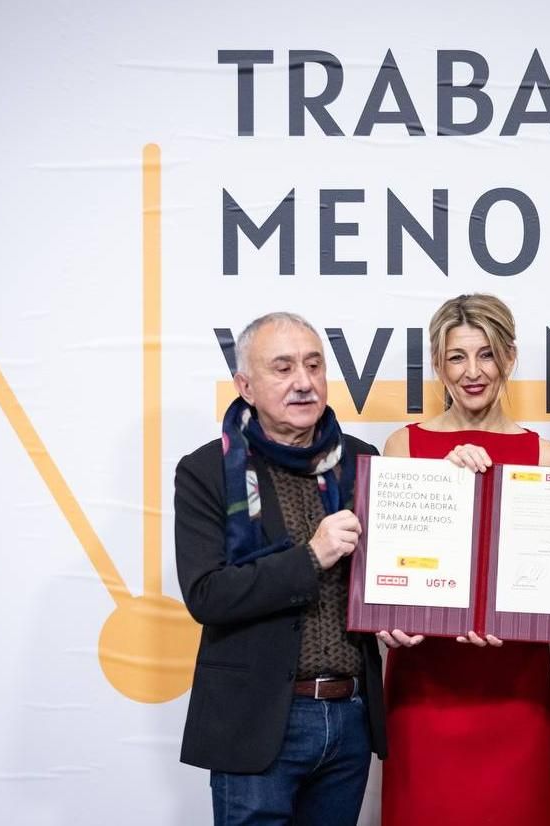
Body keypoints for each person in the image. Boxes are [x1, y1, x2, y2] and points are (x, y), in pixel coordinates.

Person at [173, 312, 385, 826]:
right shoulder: (207, 471)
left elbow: (385, 576)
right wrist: (309, 557)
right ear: (246, 385)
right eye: (283, 368)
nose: (304, 382)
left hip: (349, 716)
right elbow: (207, 594)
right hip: (258, 721)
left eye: (314, 365)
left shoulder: (361, 460)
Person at [377, 294, 550, 826]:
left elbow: (549, 579)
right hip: (426, 683)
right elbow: (395, 573)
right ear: (438, 365)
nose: (473, 372)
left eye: (486, 354)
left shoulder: (542, 456)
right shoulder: (404, 446)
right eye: (457, 357)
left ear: (509, 357)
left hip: (515, 685)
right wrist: (442, 479)